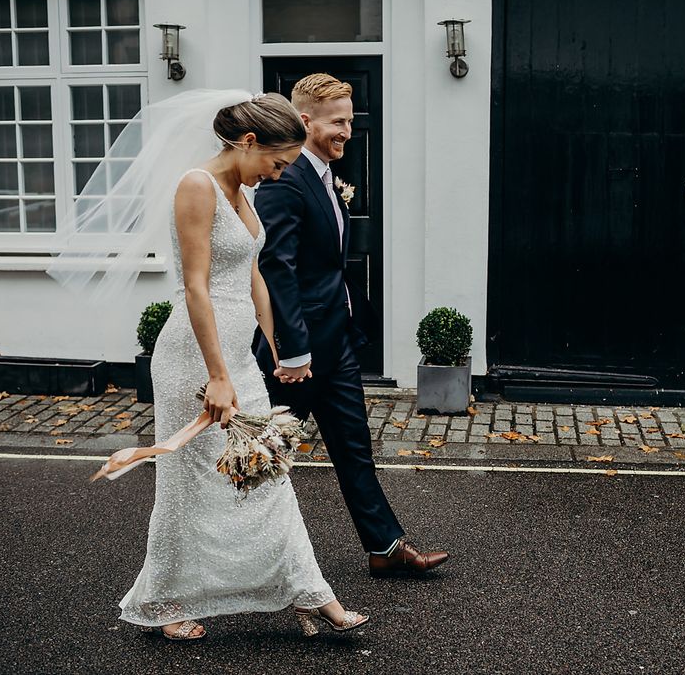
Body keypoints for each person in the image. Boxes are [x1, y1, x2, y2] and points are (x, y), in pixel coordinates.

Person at [48, 90, 368, 640]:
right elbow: (196, 287)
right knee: (187, 485)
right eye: (276, 161)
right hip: (192, 358)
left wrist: (280, 345)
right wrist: (218, 376)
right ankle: (164, 601)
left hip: (236, 355)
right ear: (248, 142)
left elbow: (254, 276)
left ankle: (310, 591)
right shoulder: (196, 186)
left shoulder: (243, 191)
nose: (277, 174)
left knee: (266, 472)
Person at [254, 74, 449, 577]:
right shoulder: (284, 180)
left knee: (354, 449)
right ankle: (230, 557)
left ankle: (384, 547)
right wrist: (292, 351)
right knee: (261, 457)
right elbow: (279, 268)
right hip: (294, 356)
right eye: (337, 121)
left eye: (350, 119)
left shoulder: (325, 176)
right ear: (305, 122)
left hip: (336, 343)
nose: (347, 129)